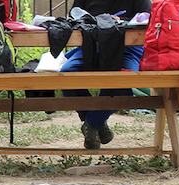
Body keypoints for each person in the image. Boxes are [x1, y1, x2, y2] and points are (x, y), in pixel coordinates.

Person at [59, 0, 152, 149]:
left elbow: (148, 18)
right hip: (90, 45)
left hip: (127, 47)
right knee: (67, 75)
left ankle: (92, 123)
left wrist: (121, 21)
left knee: (125, 80)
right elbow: (73, 17)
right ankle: (97, 123)